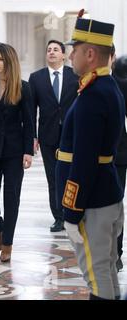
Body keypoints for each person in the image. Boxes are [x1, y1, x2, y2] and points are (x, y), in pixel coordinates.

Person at [56, 11, 124, 300]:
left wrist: (71, 213)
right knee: (106, 271)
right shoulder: (107, 87)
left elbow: (83, 162)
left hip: (92, 202)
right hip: (105, 194)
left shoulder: (94, 95)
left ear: (91, 53)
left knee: (97, 278)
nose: (71, 55)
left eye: (75, 49)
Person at [0, 43, 34, 263]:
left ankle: (8, 243)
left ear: (9, 61)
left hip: (14, 151)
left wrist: (28, 151)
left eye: (0, 59)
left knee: (11, 198)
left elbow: (29, 121)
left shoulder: (23, 87)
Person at [28, 40, 79, 232]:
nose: (51, 52)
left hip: (72, 135)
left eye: (56, 50)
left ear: (64, 55)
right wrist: (32, 137)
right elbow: (31, 110)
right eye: (48, 49)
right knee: (53, 178)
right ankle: (58, 217)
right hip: (48, 136)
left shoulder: (75, 75)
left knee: (71, 176)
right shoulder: (36, 78)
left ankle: (72, 214)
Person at [111, 48, 126, 273]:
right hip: (115, 154)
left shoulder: (116, 84)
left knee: (115, 205)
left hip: (118, 154)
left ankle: (116, 252)